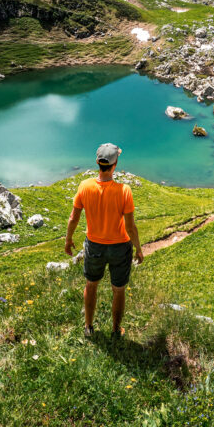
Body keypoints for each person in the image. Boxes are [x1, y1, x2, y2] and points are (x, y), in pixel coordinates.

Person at [64, 142, 143, 339]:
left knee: (91, 285)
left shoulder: (85, 186)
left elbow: (73, 218)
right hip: (119, 246)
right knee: (118, 290)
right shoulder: (124, 190)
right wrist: (138, 249)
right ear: (115, 164)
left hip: (94, 245)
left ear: (97, 163)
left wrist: (68, 239)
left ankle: (89, 328)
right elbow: (131, 227)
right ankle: (116, 330)